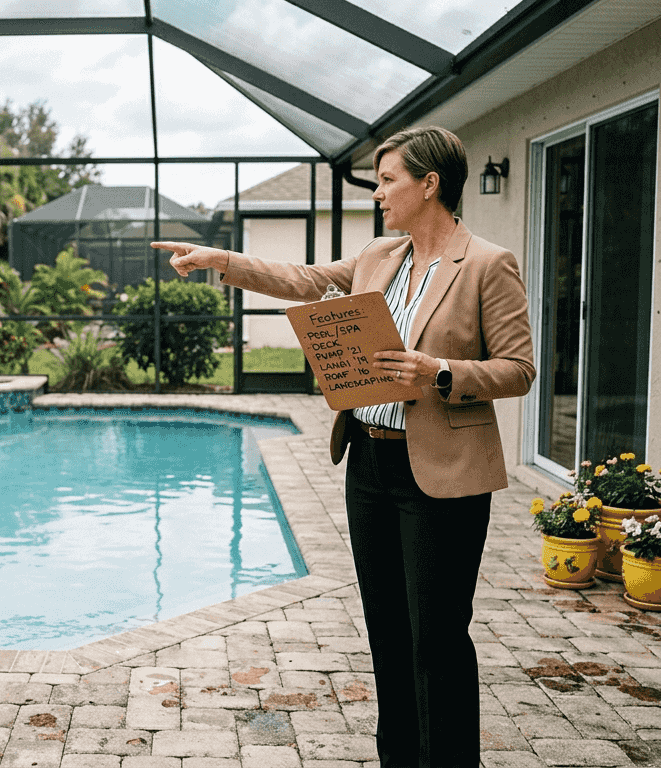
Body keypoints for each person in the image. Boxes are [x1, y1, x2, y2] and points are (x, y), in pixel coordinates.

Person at [153, 126, 535, 768]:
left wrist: (438, 372)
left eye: (389, 180)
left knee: (436, 639)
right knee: (387, 634)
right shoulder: (378, 256)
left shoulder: (488, 264)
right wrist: (224, 261)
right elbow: (302, 280)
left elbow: (520, 369)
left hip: (442, 476)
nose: (380, 192)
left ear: (430, 184)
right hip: (370, 463)